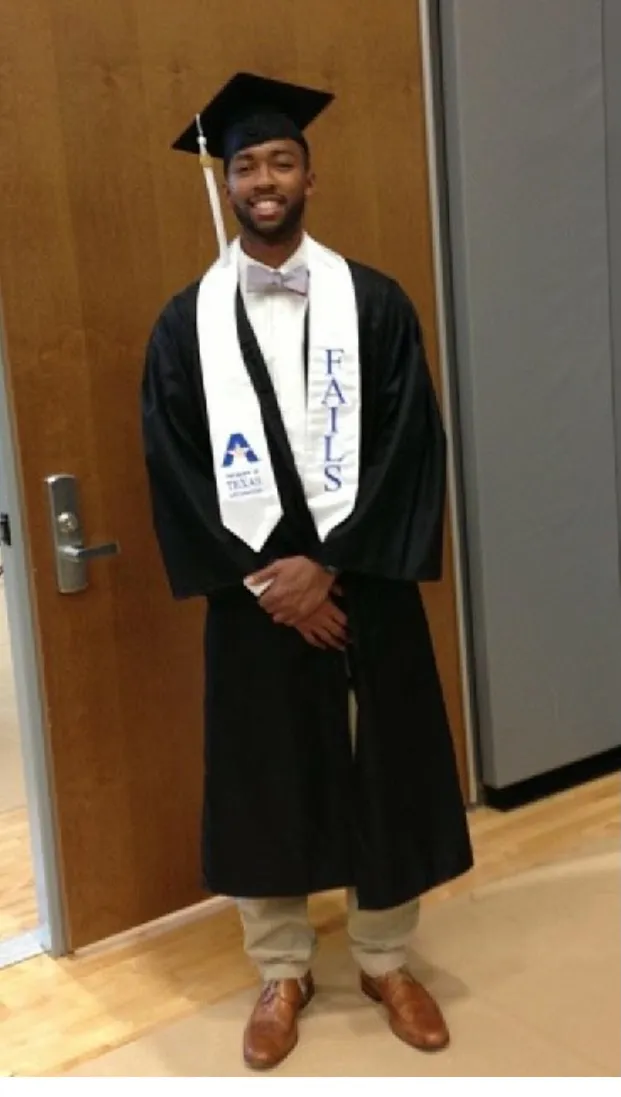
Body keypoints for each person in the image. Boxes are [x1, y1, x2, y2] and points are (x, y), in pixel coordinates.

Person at [142, 71, 473, 1072]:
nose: (264, 180)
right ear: (228, 185)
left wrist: (328, 566)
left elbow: (410, 444)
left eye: (281, 161)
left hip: (360, 575)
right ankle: (281, 968)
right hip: (254, 597)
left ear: (309, 177)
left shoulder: (374, 301)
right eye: (245, 165)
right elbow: (176, 462)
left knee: (386, 762)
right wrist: (269, 583)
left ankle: (384, 958)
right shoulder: (184, 323)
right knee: (264, 771)